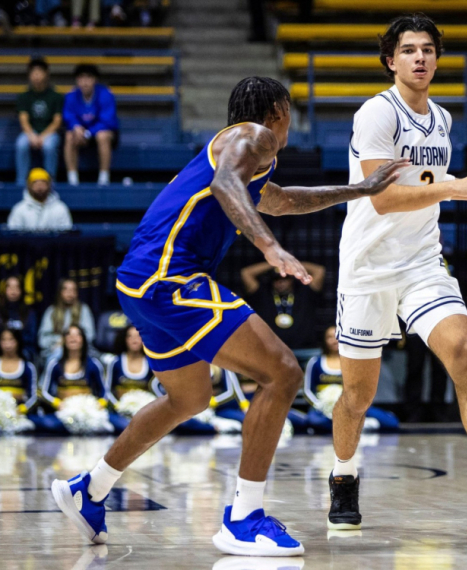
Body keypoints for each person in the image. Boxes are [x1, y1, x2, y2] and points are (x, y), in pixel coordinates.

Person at [50, 75, 409, 556]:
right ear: (277, 111)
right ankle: (244, 517)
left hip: (140, 283)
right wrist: (269, 246)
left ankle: (90, 489)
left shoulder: (243, 155)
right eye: (289, 112)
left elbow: (283, 200)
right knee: (283, 372)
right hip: (170, 277)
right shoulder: (254, 136)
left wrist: (359, 189)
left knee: (189, 398)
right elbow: (225, 187)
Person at [329, 13, 467, 533]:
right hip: (368, 267)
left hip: (422, 263)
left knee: (466, 354)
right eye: (409, 50)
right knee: (358, 395)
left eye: (428, 49)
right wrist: (455, 187)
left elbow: (424, 177)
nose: (420, 58)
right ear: (391, 60)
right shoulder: (377, 113)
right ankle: (343, 474)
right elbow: (381, 197)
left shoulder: (443, 119)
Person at [303, 326, 399, 433]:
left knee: (391, 423)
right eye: (330, 337)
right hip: (323, 410)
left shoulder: (354, 362)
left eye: (338, 336)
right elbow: (307, 391)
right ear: (324, 341)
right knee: (314, 421)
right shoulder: (315, 362)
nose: (334, 340)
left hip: (353, 408)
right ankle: (357, 426)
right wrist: (322, 406)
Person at [38, 325, 107, 433]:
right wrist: (57, 403)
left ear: (83, 340)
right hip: (62, 413)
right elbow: (44, 391)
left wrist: (100, 403)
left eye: (77, 335)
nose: (73, 338)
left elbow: (104, 391)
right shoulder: (55, 364)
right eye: (68, 334)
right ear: (63, 340)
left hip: (87, 413)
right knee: (48, 424)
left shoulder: (94, 364)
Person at [242, 261, 325, 349]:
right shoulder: (263, 294)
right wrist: (275, 262)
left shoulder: (304, 293)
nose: (280, 282)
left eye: (285, 279)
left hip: (305, 349)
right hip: (271, 350)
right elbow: (246, 273)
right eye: (276, 279)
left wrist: (290, 263)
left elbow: (319, 270)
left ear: (291, 280)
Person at [63, 64, 119, 186]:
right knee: (69, 136)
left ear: (95, 80)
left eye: (88, 78)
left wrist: (88, 133)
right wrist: (76, 126)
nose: (85, 82)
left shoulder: (105, 94)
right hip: (80, 134)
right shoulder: (71, 95)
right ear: (77, 80)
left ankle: (104, 178)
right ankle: (72, 179)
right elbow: (68, 115)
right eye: (81, 78)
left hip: (100, 132)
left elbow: (107, 120)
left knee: (102, 136)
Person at [15, 58, 63, 187]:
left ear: (46, 74)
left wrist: (43, 136)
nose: (36, 76)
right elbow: (23, 120)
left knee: (49, 146)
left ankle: (50, 183)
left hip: (49, 133)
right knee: (21, 144)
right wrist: (31, 135)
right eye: (33, 73)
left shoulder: (56, 96)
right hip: (31, 132)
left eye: (39, 72)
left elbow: (57, 121)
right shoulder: (24, 97)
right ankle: (21, 182)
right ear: (29, 75)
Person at [105, 325, 159, 433]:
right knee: (124, 425)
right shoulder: (115, 362)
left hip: (145, 413)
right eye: (130, 336)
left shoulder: (152, 363)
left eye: (138, 336)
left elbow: (157, 391)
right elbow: (107, 391)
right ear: (125, 339)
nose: (134, 340)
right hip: (120, 413)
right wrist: (120, 406)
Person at [38, 278, 96, 362]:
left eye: (73, 290)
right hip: (55, 350)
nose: (69, 293)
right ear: (60, 292)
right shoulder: (51, 311)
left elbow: (90, 335)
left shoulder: (84, 310)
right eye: (66, 289)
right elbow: (42, 340)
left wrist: (72, 341)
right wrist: (60, 340)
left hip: (80, 350)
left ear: (77, 293)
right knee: (58, 354)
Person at [7, 168, 73, 232]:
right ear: (29, 185)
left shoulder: (60, 208)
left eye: (43, 183)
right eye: (35, 183)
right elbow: (13, 234)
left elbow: (66, 234)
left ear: (49, 185)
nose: (39, 187)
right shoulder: (19, 209)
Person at [0, 327, 38, 416]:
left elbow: (33, 396)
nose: (7, 344)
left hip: (20, 414)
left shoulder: (28, 367)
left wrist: (22, 409)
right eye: (3, 340)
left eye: (11, 339)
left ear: (18, 341)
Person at [0, 275, 37, 361]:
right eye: (9, 287)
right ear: (4, 290)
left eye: (16, 287)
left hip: (24, 350)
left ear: (21, 290)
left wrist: (14, 343)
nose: (13, 290)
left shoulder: (29, 312)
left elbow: (32, 338)